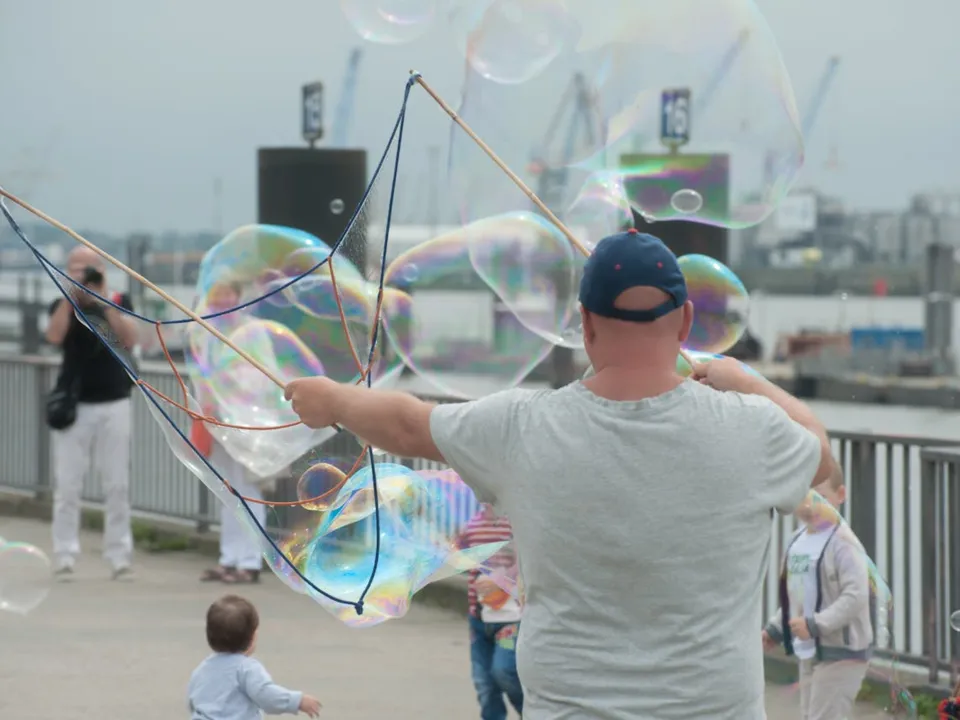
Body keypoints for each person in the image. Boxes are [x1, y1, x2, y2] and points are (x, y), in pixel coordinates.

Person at [284, 230, 837, 719]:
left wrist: (332, 399)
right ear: (686, 321)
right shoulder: (753, 430)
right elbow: (823, 457)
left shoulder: (522, 427)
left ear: (586, 324)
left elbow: (408, 425)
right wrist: (744, 380)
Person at [45, 246, 140, 581]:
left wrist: (102, 300)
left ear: (101, 269)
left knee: (117, 484)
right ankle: (65, 554)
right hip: (77, 406)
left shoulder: (117, 299)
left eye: (88, 269)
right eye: (75, 269)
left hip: (115, 401)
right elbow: (54, 336)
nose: (82, 274)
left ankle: (119, 555)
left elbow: (129, 339)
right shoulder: (62, 304)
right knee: (68, 485)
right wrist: (71, 299)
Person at [762, 465, 873, 720]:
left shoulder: (844, 543)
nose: (810, 503)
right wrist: (776, 629)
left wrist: (816, 624)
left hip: (842, 653)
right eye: (804, 493)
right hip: (809, 650)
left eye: (820, 496)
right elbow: (796, 596)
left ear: (840, 495)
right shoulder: (796, 542)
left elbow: (856, 595)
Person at [191, 280, 267, 585]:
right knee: (226, 490)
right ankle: (229, 558)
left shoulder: (253, 332)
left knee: (247, 490)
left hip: (244, 421)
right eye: (216, 301)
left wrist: (228, 385)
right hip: (216, 420)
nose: (221, 306)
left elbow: (261, 376)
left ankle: (250, 561)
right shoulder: (206, 333)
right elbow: (200, 375)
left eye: (227, 299)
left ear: (239, 298)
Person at [187, 594, 322, 719]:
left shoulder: (201, 669)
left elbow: (194, 702)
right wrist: (297, 701)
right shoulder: (246, 668)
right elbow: (266, 696)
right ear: (252, 637)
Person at [456, 503, 524, 720]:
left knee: (504, 672)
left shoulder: (514, 523)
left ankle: (531, 712)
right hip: (479, 617)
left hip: (510, 620)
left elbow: (526, 561)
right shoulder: (473, 524)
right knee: (484, 682)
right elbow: (459, 555)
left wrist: (501, 579)